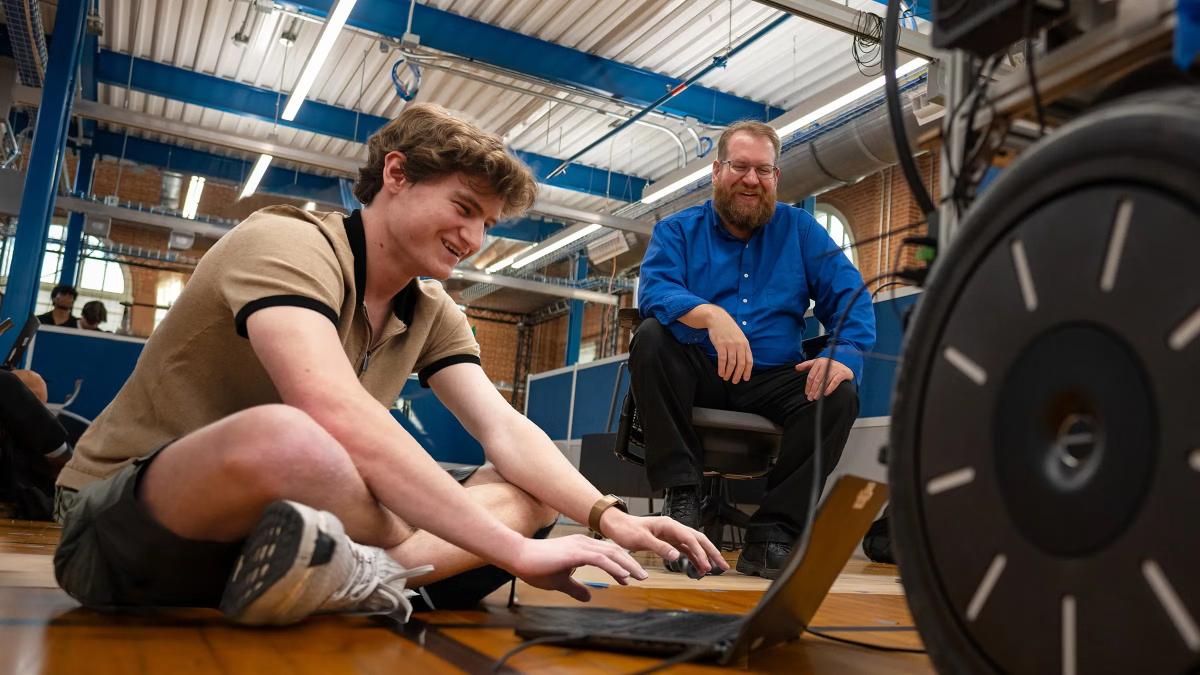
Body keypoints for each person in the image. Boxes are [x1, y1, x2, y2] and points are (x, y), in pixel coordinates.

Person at [52, 103, 726, 626]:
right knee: (291, 437)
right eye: (464, 209)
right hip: (123, 532)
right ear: (396, 175)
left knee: (527, 485)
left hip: (277, 544)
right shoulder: (286, 241)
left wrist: (609, 515)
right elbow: (330, 411)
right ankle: (381, 569)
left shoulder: (433, 310)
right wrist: (512, 550)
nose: (474, 239)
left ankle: (337, 572)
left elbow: (508, 431)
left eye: (488, 223)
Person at [632, 120, 876, 579]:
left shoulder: (801, 231)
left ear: (776, 177)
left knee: (837, 392)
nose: (751, 179)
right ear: (717, 171)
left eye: (763, 170)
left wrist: (843, 355)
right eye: (740, 167)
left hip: (769, 378)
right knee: (650, 337)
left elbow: (851, 300)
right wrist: (710, 315)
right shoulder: (678, 231)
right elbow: (657, 290)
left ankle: (772, 536)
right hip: (696, 370)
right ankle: (683, 501)